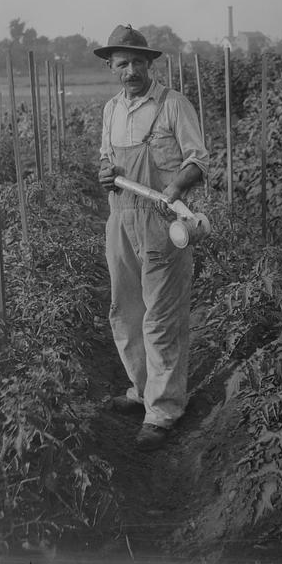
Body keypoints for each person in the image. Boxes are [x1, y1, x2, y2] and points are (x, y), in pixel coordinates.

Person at [95, 24, 209, 451]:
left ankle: (163, 410)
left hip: (162, 223)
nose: (130, 71)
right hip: (120, 220)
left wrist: (176, 188)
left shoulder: (173, 105)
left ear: (150, 64)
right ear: (111, 67)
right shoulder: (110, 111)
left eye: (137, 62)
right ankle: (141, 390)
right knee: (124, 312)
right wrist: (106, 174)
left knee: (160, 318)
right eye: (122, 63)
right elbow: (106, 162)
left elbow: (199, 159)